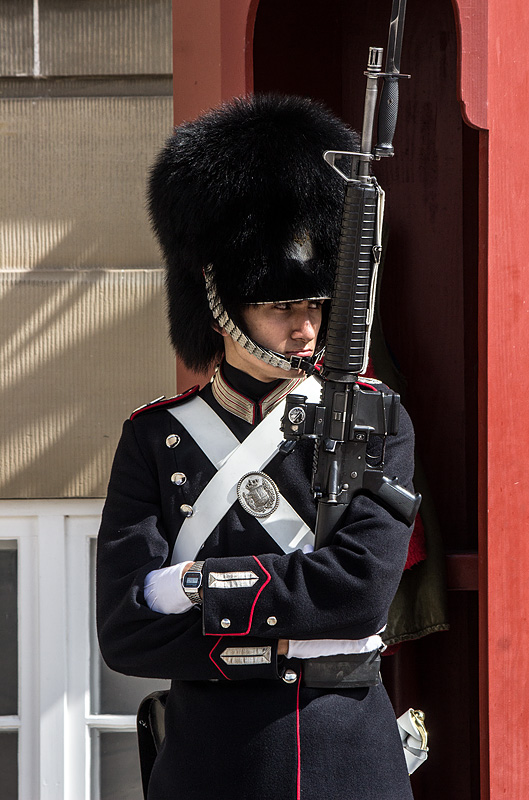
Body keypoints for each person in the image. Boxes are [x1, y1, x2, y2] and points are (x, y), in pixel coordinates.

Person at [97, 94, 416, 800]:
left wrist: (190, 586)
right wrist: (294, 630)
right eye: (279, 307)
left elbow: (359, 596)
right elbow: (126, 635)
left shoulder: (375, 416)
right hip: (211, 759)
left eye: (313, 306)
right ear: (222, 303)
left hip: (344, 754)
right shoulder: (156, 436)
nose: (304, 328)